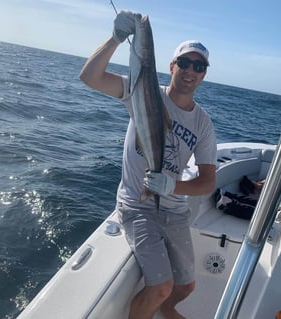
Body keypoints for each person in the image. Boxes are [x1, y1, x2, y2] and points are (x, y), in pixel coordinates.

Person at [80, 10, 217, 319]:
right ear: (172, 66)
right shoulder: (140, 91)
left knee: (188, 286)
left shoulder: (203, 123)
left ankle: (165, 312)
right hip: (136, 204)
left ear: (204, 74)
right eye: (184, 62)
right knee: (161, 286)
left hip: (173, 207)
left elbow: (208, 181)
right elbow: (90, 77)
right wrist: (116, 38)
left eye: (199, 66)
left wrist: (173, 186)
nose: (190, 70)